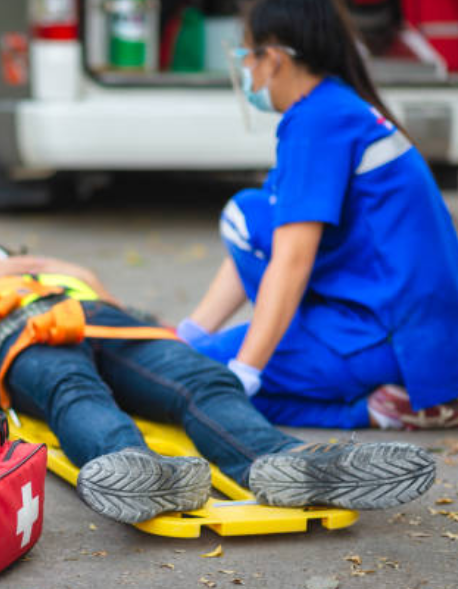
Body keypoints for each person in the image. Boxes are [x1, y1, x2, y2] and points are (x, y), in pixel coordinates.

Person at [0, 246, 436, 525]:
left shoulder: (60, 272)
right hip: (21, 339)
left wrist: (48, 267)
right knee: (74, 391)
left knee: (203, 379)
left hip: (110, 322)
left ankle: (286, 463)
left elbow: (125, 307)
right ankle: (136, 472)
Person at [178, 0, 458, 430]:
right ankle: (384, 406)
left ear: (273, 59)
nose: (245, 68)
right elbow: (262, 236)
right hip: (415, 335)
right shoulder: (336, 107)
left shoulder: (317, 123)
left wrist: (244, 371)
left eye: (247, 54)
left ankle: (376, 404)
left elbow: (291, 258)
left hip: (381, 337)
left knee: (183, 379)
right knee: (251, 215)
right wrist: (188, 335)